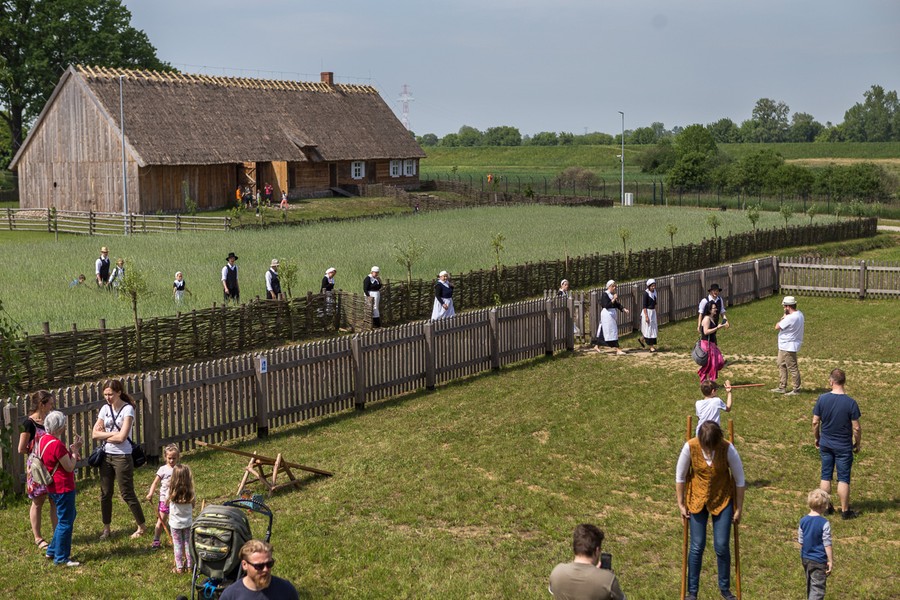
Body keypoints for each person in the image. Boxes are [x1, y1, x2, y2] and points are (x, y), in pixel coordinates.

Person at [675, 421, 745, 600]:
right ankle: (692, 592)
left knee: (721, 546)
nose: (708, 450)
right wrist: (681, 504)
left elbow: (739, 480)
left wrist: (739, 508)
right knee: (697, 546)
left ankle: (725, 589)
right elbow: (680, 477)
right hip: (697, 499)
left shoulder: (727, 449)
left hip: (722, 499)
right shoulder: (690, 447)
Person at [92, 379, 146, 539]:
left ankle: (141, 526)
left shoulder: (128, 409)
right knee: (105, 493)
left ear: (119, 393)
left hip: (123, 456)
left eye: (111, 394)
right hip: (106, 456)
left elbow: (122, 437)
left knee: (127, 492)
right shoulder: (104, 409)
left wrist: (104, 434)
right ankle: (106, 528)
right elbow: (94, 434)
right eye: (105, 394)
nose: (108, 398)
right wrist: (112, 434)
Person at [812, 368, 861, 520]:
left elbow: (815, 422)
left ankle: (826, 507)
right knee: (843, 478)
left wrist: (817, 438)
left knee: (825, 476)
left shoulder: (822, 399)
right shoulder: (851, 403)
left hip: (826, 444)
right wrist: (857, 443)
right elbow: (856, 428)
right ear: (844, 382)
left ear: (831, 381)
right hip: (843, 446)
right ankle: (845, 511)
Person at [39, 410, 82, 567]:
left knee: (69, 515)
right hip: (63, 487)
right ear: (59, 427)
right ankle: (61, 557)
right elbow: (69, 467)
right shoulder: (57, 445)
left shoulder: (43, 439)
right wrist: (75, 451)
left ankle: (52, 549)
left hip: (52, 487)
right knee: (65, 522)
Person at [17, 390, 58, 551]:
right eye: (50, 403)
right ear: (42, 404)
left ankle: (57, 534)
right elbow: (21, 448)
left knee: (54, 500)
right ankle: (38, 537)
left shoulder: (48, 420)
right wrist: (37, 451)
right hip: (37, 468)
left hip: (51, 465)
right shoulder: (28, 424)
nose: (52, 406)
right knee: (38, 501)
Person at [549, 523, 626, 600]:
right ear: (597, 550)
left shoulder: (557, 572)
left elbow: (552, 590)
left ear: (575, 547)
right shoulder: (607, 580)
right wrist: (604, 575)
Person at [219, 540, 300, 600]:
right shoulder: (230, 595)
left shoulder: (286, 590)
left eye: (269, 564)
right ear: (244, 565)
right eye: (259, 566)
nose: (265, 569)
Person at [798, 488, 833, 600]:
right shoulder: (824, 523)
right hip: (819, 560)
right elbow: (827, 544)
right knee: (817, 589)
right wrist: (830, 560)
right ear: (823, 506)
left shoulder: (803, 521)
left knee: (810, 585)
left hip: (805, 558)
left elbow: (801, 541)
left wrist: (804, 554)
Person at [146, 444, 179, 549]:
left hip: (176, 500)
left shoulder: (179, 469)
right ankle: (156, 539)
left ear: (178, 457)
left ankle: (176, 539)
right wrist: (150, 493)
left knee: (175, 521)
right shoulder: (163, 469)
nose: (171, 460)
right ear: (165, 457)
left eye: (174, 458)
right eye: (169, 458)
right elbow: (155, 483)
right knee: (161, 521)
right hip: (165, 500)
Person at [772, 296, 805, 396]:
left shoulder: (790, 318)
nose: (783, 308)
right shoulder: (799, 314)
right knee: (781, 364)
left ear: (788, 306)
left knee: (792, 368)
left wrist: (783, 317)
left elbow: (777, 326)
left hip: (788, 346)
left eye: (784, 306)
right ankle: (782, 386)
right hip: (785, 345)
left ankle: (796, 389)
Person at [167, 463, 195, 574]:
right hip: (187, 523)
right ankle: (189, 566)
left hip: (175, 524)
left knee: (177, 545)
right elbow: (193, 505)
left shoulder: (170, 491)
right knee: (188, 544)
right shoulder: (190, 492)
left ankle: (179, 567)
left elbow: (165, 502)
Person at [593, 280, 629, 356]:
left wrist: (623, 309)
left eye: (615, 286)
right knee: (612, 331)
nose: (614, 288)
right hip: (607, 315)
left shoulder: (612, 295)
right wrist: (614, 299)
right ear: (609, 287)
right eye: (613, 286)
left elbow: (617, 304)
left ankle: (597, 346)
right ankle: (618, 349)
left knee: (605, 330)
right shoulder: (605, 294)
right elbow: (606, 305)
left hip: (611, 314)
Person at [698, 300, 729, 382]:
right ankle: (707, 381)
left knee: (720, 361)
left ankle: (710, 381)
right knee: (711, 364)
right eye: (714, 308)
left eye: (716, 308)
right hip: (706, 344)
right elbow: (705, 332)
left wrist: (720, 326)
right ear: (709, 310)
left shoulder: (711, 318)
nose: (716, 309)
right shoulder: (706, 319)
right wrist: (717, 327)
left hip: (712, 343)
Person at [639, 278, 659, 352]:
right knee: (649, 329)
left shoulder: (655, 292)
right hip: (647, 312)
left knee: (652, 329)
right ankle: (651, 347)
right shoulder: (646, 294)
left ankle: (641, 339)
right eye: (652, 286)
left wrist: (656, 311)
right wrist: (646, 316)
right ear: (649, 286)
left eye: (654, 286)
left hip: (653, 312)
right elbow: (644, 306)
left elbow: (655, 303)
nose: (653, 287)